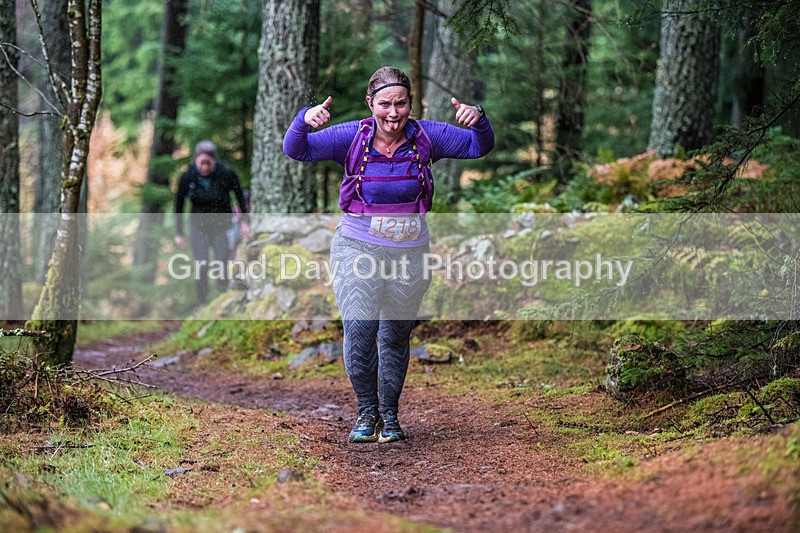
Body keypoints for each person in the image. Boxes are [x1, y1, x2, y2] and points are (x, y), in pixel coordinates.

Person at [283, 66, 494, 443]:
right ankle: (367, 411)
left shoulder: (427, 135)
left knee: (395, 335)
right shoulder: (352, 136)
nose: (393, 113)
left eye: (400, 104)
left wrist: (478, 119)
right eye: (385, 104)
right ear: (370, 103)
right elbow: (296, 149)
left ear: (411, 103)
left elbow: (479, 147)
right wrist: (303, 120)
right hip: (357, 246)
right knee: (360, 329)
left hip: (410, 252)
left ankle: (390, 415)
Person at [175, 140, 250, 304]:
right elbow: (179, 205)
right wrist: (179, 233)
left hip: (221, 226)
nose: (204, 166)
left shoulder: (226, 173)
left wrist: (244, 222)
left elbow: (239, 196)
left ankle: (222, 298)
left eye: (208, 163)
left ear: (214, 161)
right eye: (201, 163)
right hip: (199, 226)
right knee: (201, 264)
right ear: (195, 160)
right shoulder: (188, 176)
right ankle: (201, 303)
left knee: (221, 262)